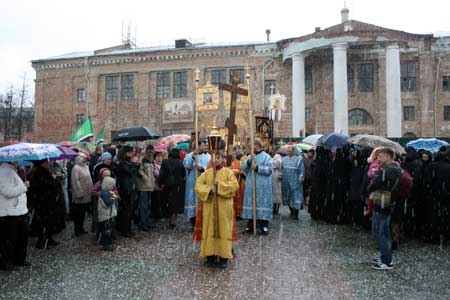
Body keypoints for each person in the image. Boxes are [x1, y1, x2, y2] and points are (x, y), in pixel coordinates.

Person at [195, 151, 239, 269]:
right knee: (210, 228)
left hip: (224, 207)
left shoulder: (228, 173)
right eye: (215, 158)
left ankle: (224, 256)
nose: (217, 160)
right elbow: (198, 185)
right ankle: (210, 255)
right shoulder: (207, 173)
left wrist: (219, 185)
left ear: (223, 159)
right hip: (210, 206)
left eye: (219, 157)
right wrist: (209, 189)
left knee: (223, 229)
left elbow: (234, 186)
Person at [368, 147, 402, 270]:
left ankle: (386, 261)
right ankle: (385, 258)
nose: (378, 158)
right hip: (385, 201)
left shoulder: (388, 170)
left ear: (388, 156)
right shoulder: (393, 169)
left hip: (383, 202)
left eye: (381, 156)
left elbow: (374, 184)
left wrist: (375, 178)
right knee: (384, 231)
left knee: (382, 232)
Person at [29, 159, 66, 249]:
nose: (48, 163)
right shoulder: (38, 172)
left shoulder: (45, 171)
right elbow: (42, 186)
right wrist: (53, 179)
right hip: (43, 202)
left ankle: (48, 238)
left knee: (49, 222)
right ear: (42, 163)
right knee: (43, 222)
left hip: (49, 201)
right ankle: (41, 241)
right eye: (46, 162)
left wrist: (55, 178)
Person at [0, 162, 30, 270]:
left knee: (21, 238)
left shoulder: (12, 170)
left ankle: (19, 260)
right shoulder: (3, 172)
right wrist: (24, 187)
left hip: (18, 211)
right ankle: (7, 262)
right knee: (10, 239)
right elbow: (7, 192)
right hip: (10, 212)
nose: (18, 160)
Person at [241, 139, 273, 235]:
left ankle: (264, 225)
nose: (250, 147)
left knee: (262, 204)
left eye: (252, 145)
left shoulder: (267, 157)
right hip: (251, 184)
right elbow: (243, 168)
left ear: (257, 145)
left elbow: (270, 170)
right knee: (252, 203)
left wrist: (258, 168)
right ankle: (250, 225)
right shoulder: (250, 156)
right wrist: (248, 161)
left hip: (263, 186)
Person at [183, 141, 211, 226]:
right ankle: (194, 223)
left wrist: (202, 168)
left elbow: (210, 168)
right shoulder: (190, 155)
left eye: (206, 145)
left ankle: (203, 223)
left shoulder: (208, 156)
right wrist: (193, 156)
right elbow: (186, 165)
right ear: (198, 146)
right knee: (192, 201)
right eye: (203, 145)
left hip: (203, 182)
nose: (205, 147)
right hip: (193, 181)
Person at [114, 146, 139, 237]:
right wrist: (135, 165)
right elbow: (130, 172)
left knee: (129, 210)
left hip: (130, 189)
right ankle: (124, 229)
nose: (133, 154)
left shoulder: (128, 162)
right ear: (127, 153)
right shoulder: (122, 163)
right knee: (125, 210)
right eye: (131, 152)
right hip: (125, 190)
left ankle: (127, 228)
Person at [159, 148, 186, 227]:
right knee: (175, 203)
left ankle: (169, 217)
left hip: (167, 185)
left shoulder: (165, 161)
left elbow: (162, 174)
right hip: (177, 185)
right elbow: (183, 175)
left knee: (168, 201)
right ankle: (173, 220)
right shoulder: (180, 162)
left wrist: (160, 183)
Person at [279, 145, 305, 220]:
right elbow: (281, 168)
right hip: (286, 181)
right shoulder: (284, 159)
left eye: (289, 151)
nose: (288, 152)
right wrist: (280, 175)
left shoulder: (298, 160)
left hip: (295, 181)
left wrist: (301, 177)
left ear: (293, 151)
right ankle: (291, 210)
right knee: (288, 196)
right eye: (287, 151)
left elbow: (301, 170)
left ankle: (296, 213)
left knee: (295, 196)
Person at [71, 154, 94, 236]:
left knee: (83, 212)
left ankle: (81, 227)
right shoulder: (76, 168)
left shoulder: (86, 167)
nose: (85, 160)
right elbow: (75, 182)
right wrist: (79, 193)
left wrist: (92, 189)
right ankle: (77, 228)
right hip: (79, 195)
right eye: (83, 158)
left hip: (87, 193)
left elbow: (89, 178)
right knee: (78, 213)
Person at [97, 175, 120, 251]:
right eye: (111, 186)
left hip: (108, 215)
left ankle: (106, 242)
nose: (112, 188)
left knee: (106, 230)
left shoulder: (106, 192)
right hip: (106, 216)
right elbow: (108, 203)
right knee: (106, 231)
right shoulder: (104, 193)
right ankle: (106, 245)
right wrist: (114, 196)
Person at [136, 146, 155, 231]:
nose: (151, 153)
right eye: (150, 151)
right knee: (143, 206)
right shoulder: (142, 159)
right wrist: (145, 177)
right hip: (143, 186)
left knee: (148, 205)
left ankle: (147, 221)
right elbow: (139, 170)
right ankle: (142, 223)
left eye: (152, 152)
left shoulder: (151, 160)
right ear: (147, 151)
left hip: (150, 186)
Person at [272, 150, 282, 215]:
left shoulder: (277, 156)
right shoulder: (271, 157)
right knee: (272, 193)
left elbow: (278, 163)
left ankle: (276, 208)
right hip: (272, 177)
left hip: (276, 176)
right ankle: (273, 207)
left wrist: (271, 162)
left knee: (277, 193)